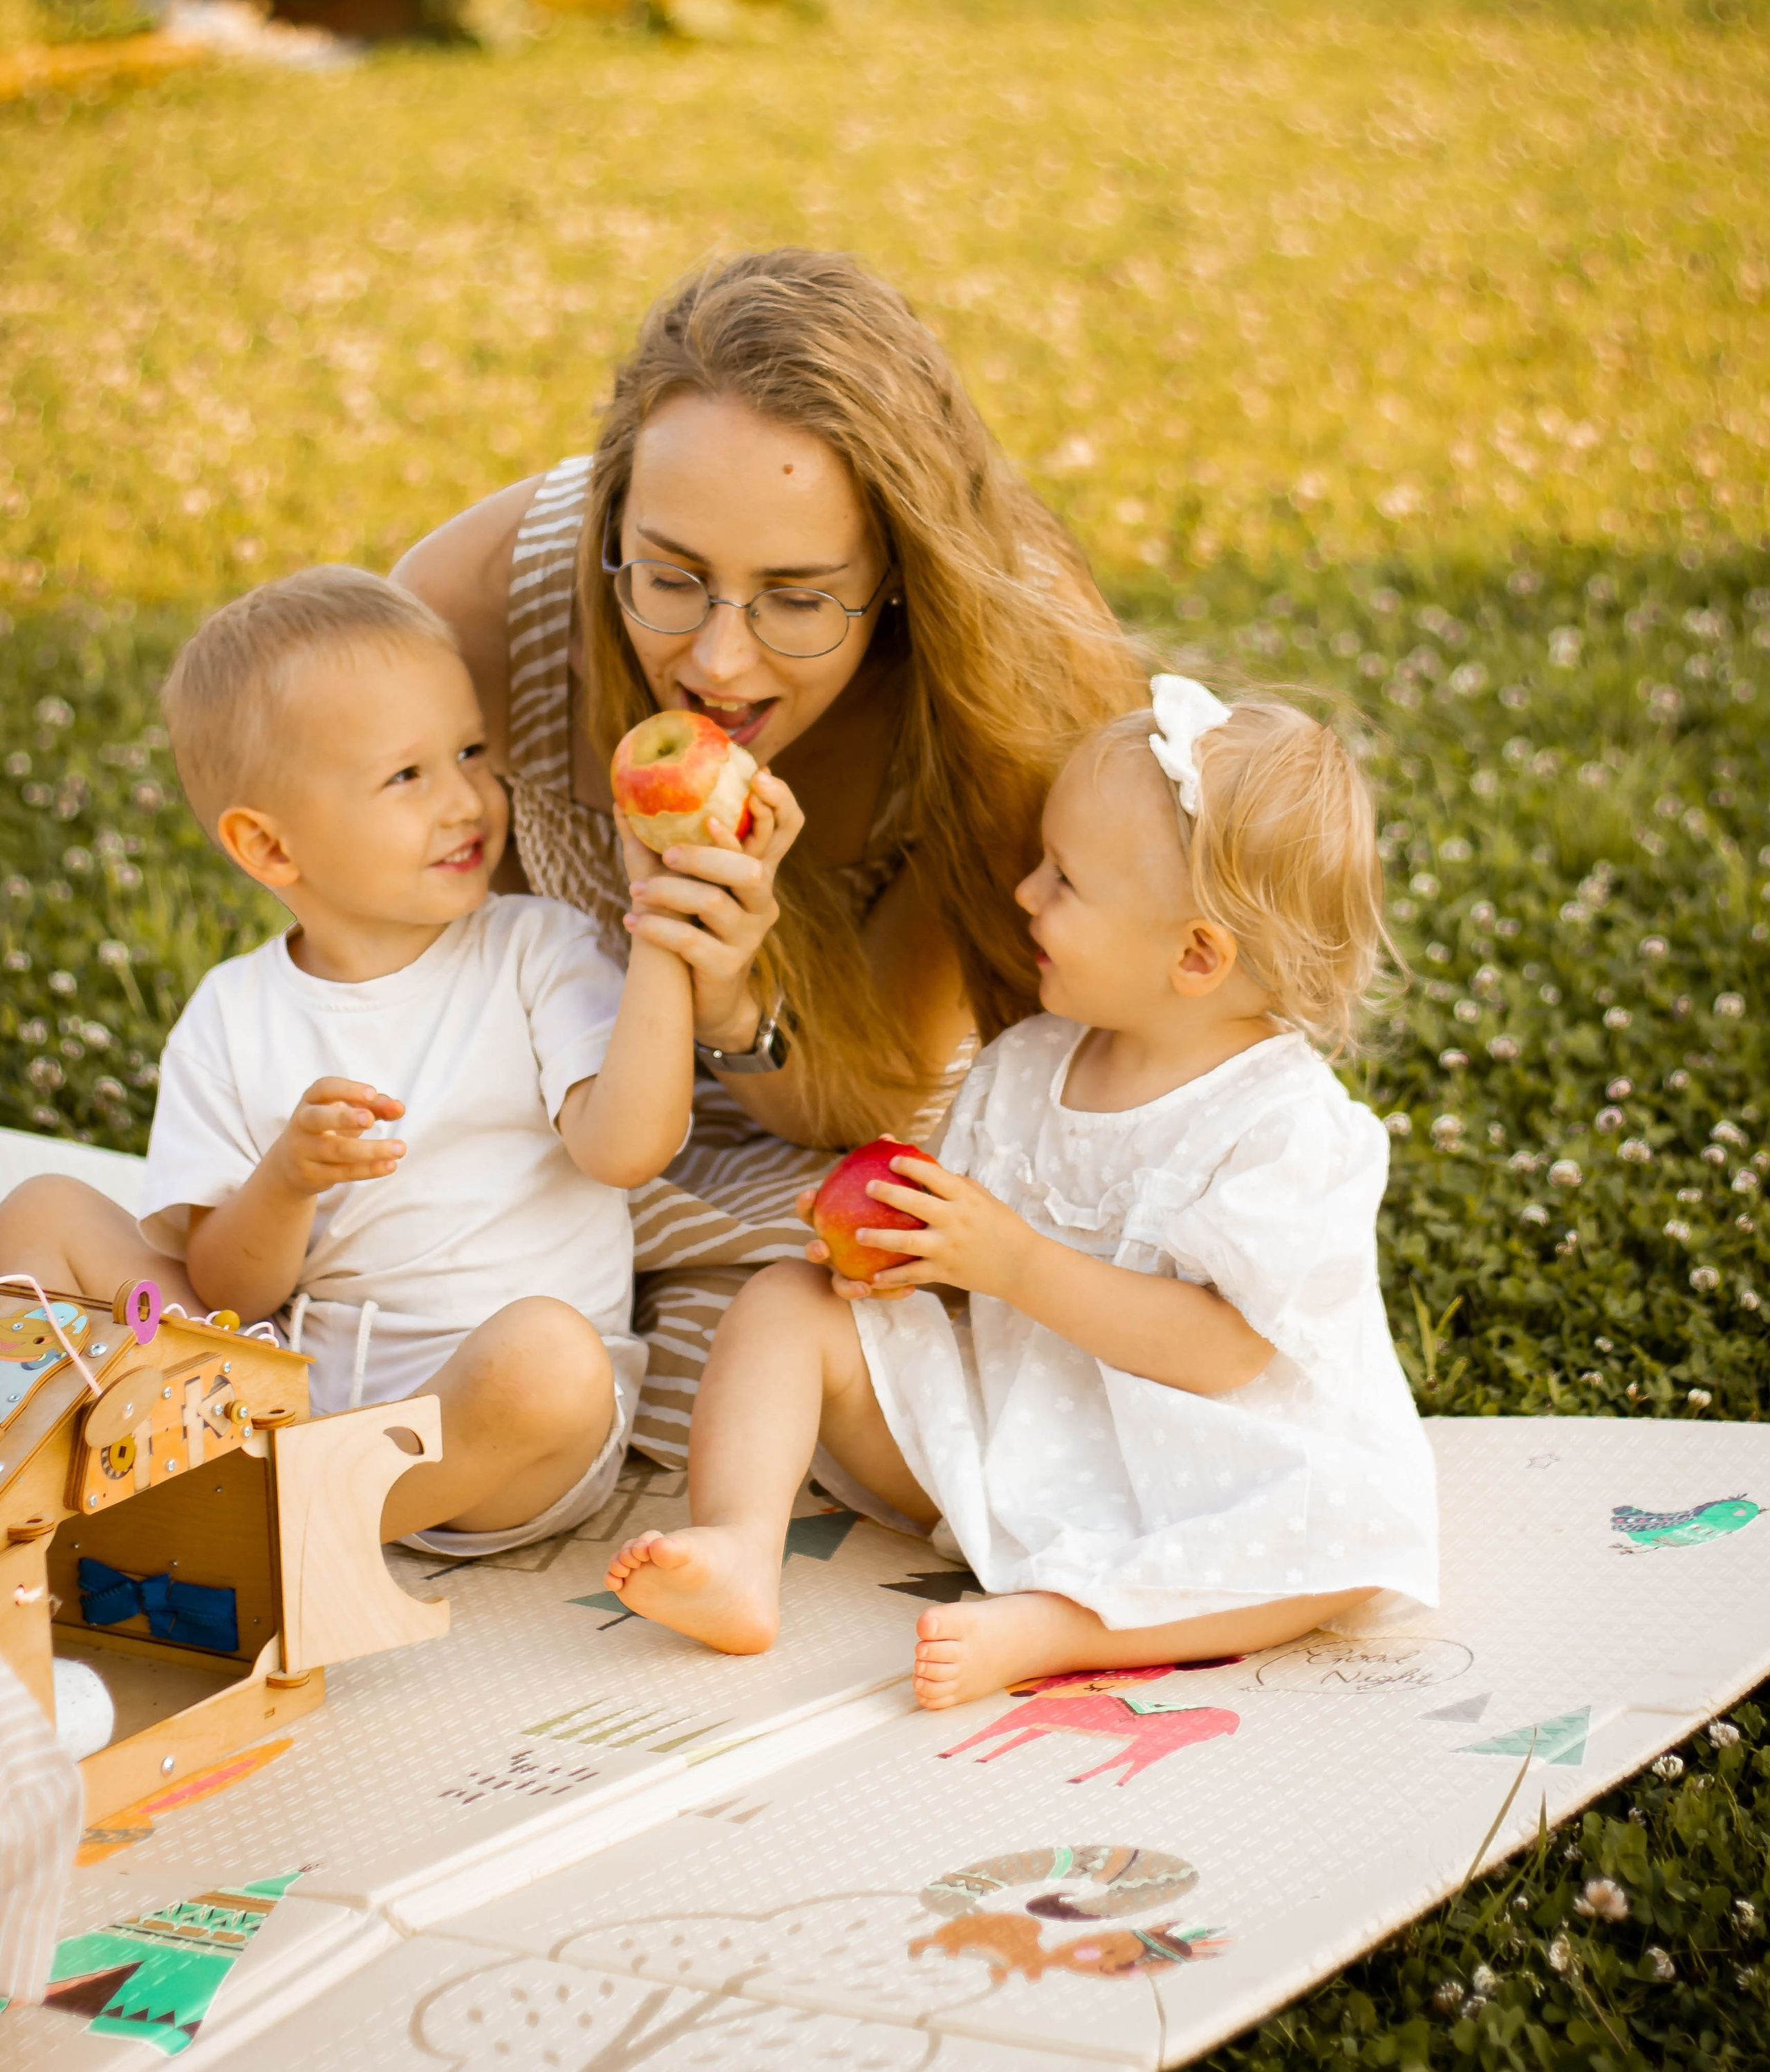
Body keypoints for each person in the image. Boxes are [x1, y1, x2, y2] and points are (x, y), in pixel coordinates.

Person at [395, 248, 1147, 1466]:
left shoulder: (996, 689)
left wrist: (734, 992)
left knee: (892, 1352)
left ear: (899, 574)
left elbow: (865, 1098)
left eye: (800, 598)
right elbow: (370, 969)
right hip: (543, 1119)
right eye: (673, 576)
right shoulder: (471, 620)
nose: (720, 665)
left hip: (813, 1135)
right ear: (612, 517)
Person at [604, 675, 1440, 1708]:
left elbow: (1226, 1352)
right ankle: (737, 1544)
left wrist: (1015, 1261)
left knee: (1348, 1534)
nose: (1026, 895)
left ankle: (1061, 1628)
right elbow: (964, 1286)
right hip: (1021, 1424)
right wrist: (902, 1258)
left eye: (1065, 882)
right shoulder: (1026, 1065)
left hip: (1207, 1462)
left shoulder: (1283, 1127)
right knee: (784, 1302)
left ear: (1195, 955)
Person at [0, 568, 695, 1557]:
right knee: (43, 1214)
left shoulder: (539, 950)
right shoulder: (233, 1017)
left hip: (484, 1443)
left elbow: (626, 1149)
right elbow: (233, 1295)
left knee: (552, 1360)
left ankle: (276, 1538)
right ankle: (54, 1479)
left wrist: (664, 932)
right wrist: (284, 1182)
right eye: (407, 776)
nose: (465, 798)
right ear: (271, 848)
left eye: (469, 752)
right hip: (285, 1395)